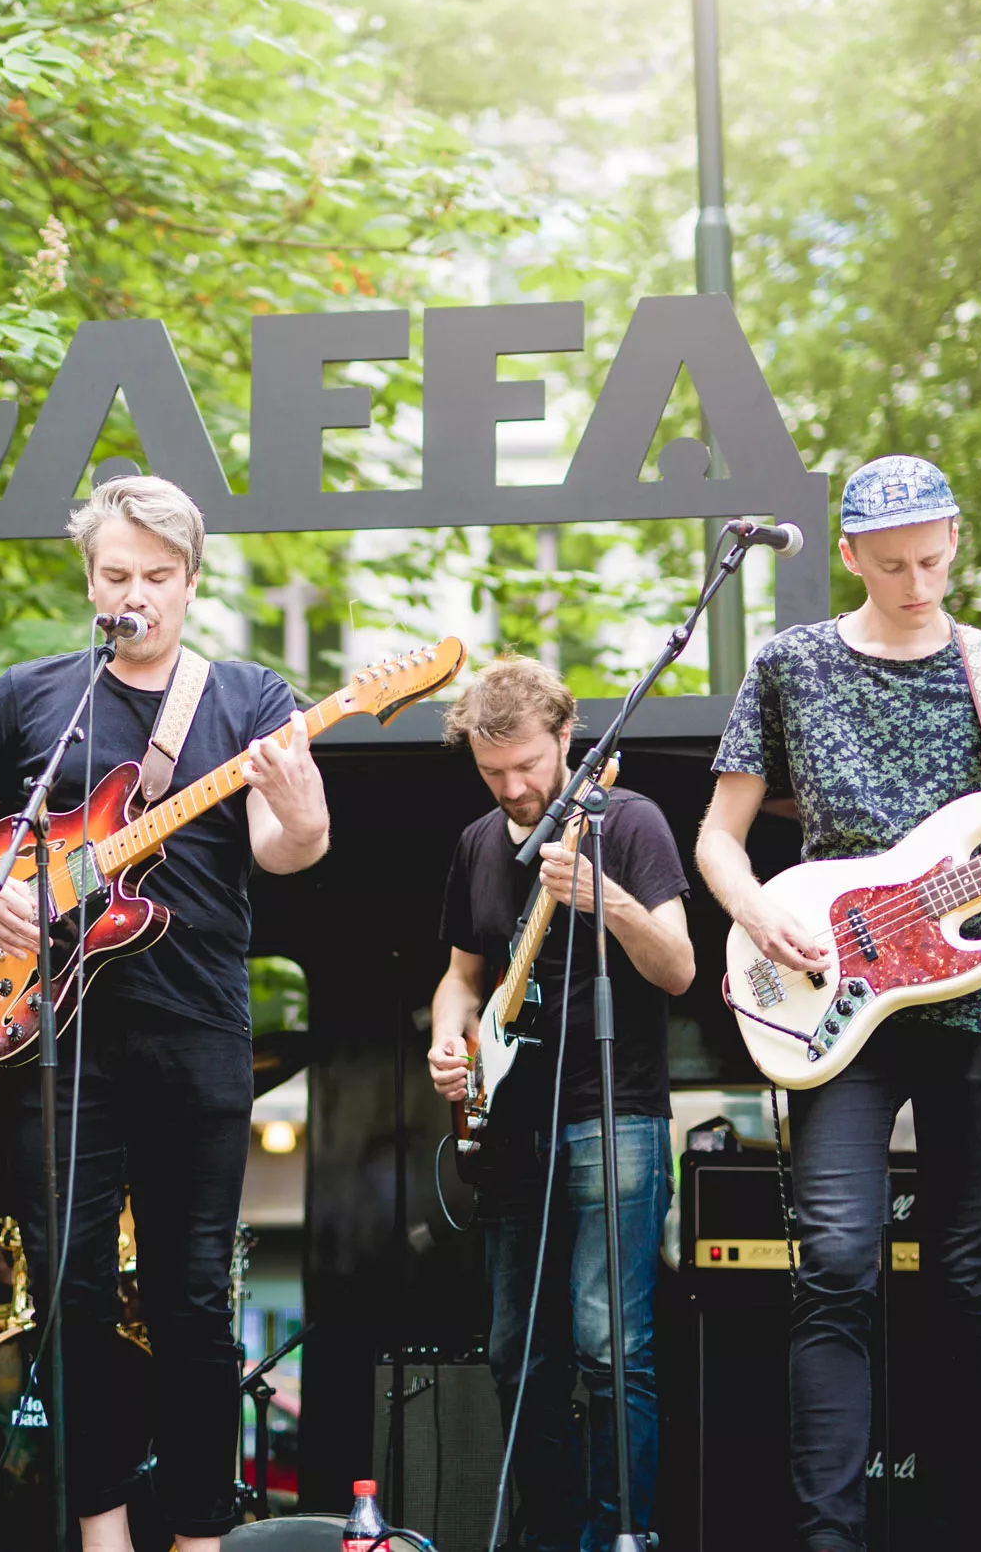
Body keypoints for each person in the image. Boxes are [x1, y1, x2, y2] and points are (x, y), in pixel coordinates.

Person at [695, 455, 981, 1552]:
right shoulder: (790, 663)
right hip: (832, 985)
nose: (916, 583)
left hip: (974, 997)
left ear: (954, 541)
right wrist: (758, 913)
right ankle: (827, 1536)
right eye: (894, 564)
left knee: (962, 1273)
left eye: (933, 561)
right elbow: (717, 836)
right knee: (834, 1263)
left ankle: (965, 1526)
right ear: (850, 555)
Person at [0, 473, 330, 1552]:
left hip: (197, 1026)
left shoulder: (250, 697)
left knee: (193, 1294)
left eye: (154, 575)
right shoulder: (32, 696)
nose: (133, 593)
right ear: (90, 582)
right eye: (114, 575)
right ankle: (99, 1530)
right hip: (60, 1034)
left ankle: (197, 1534)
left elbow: (286, 850)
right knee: (69, 1290)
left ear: (189, 581)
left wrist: (299, 807)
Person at [424, 656, 696, 1552]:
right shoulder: (477, 843)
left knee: (611, 1346)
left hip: (614, 1114)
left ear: (569, 738)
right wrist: (450, 1038)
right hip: (512, 1130)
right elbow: (462, 979)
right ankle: (548, 1537)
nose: (513, 786)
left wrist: (606, 899)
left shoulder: (630, 822)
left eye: (528, 765)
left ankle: (623, 1537)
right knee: (516, 1356)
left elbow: (680, 967)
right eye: (492, 770)